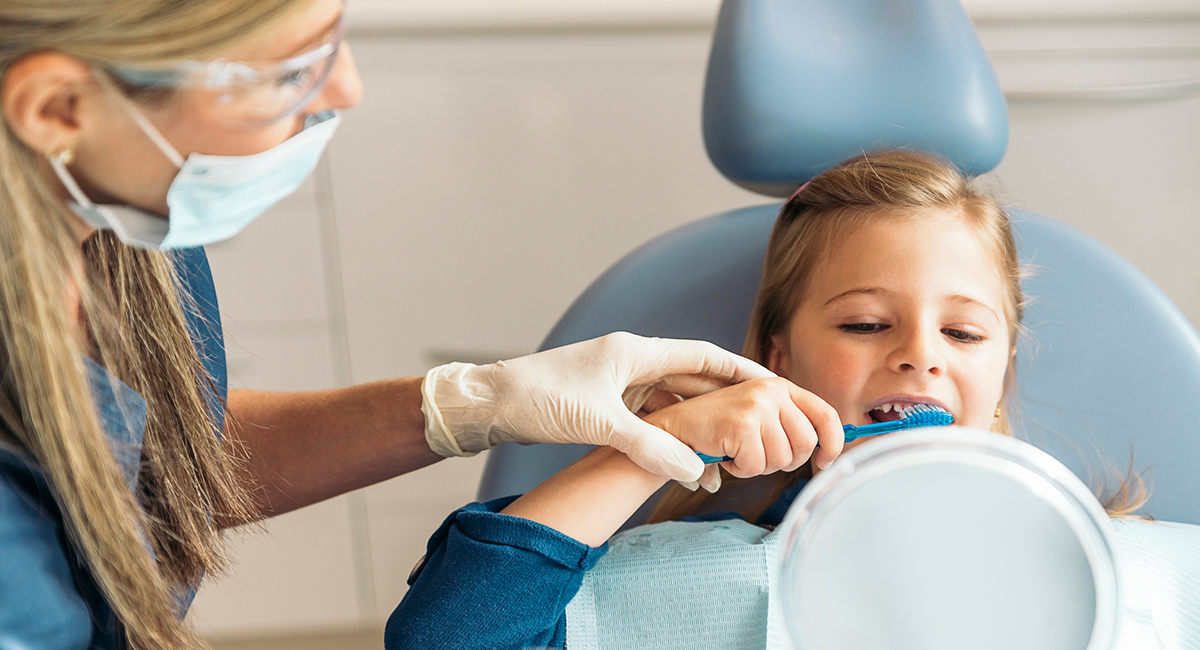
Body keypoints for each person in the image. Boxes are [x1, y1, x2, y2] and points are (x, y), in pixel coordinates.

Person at [0, 1, 844, 648]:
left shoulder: (120, 221)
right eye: (288, 72)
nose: (348, 90)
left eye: (967, 332)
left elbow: (158, 456)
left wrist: (475, 403)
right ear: (58, 110)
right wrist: (635, 462)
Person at [387, 149, 1149, 648]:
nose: (920, 353)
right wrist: (656, 446)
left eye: (965, 333)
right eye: (866, 323)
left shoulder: (1123, 566)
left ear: (1006, 366)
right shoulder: (685, 582)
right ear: (777, 361)